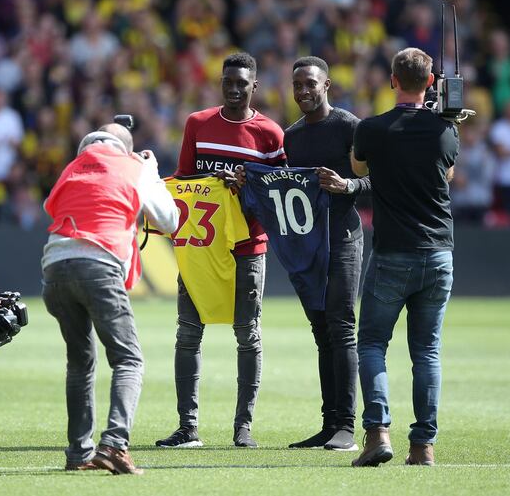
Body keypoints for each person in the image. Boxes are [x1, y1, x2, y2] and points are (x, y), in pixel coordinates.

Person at [156, 52, 285, 449]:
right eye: (228, 82)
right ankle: (187, 427)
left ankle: (243, 427)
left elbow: (279, 194)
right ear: (221, 82)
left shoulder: (270, 134)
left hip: (248, 246)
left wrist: (247, 185)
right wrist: (212, 178)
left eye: (241, 83)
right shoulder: (198, 123)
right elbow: (182, 179)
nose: (233, 89)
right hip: (202, 246)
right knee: (188, 335)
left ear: (254, 87)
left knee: (247, 335)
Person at [41, 123, 178, 474]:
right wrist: (152, 174)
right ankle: (115, 446)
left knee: (80, 363)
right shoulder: (134, 167)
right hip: (99, 262)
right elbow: (169, 220)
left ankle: (79, 454)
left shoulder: (71, 169)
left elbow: (51, 207)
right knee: (128, 360)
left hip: (54, 268)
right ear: (127, 149)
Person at [350, 48, 458, 467]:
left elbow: (358, 170)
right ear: (430, 83)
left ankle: (377, 434)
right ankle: (422, 446)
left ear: (392, 80)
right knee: (426, 351)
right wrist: (441, 119)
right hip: (438, 253)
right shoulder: (445, 130)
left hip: (393, 253)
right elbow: (446, 175)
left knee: (373, 343)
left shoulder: (372, 129)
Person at [283, 56, 369, 452]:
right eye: (297, 85)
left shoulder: (350, 127)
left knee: (340, 327)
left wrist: (347, 186)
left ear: (327, 84)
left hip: (345, 236)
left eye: (310, 84)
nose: (303, 91)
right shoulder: (293, 137)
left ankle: (347, 427)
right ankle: (329, 423)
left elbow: (376, 179)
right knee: (322, 332)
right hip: (311, 242)